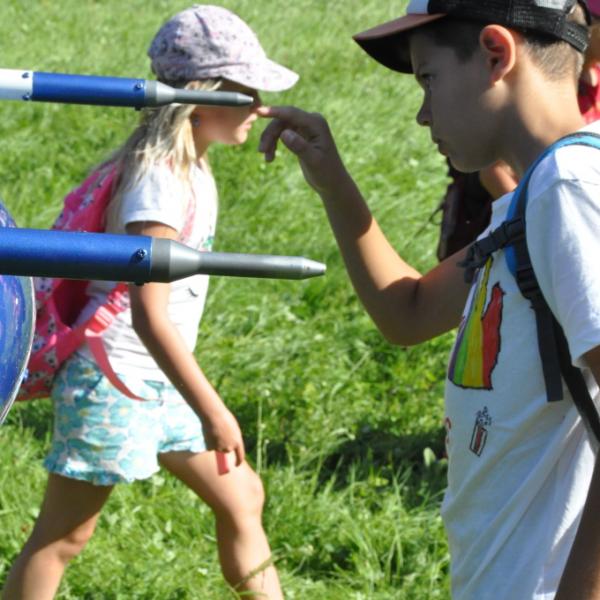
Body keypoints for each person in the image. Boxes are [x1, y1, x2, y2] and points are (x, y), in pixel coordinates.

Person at [257, 1, 600, 598]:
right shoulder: (532, 200)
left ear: (495, 54)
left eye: (428, 79)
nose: (422, 113)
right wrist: (333, 182)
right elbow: (409, 312)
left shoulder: (567, 190)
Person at [2, 5, 297, 600]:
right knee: (63, 538)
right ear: (201, 97)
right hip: (113, 378)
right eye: (246, 91)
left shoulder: (190, 165)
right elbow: (148, 314)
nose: (259, 104)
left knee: (242, 496)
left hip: (157, 379)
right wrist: (214, 409)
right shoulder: (158, 181)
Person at [436, 11, 600, 261]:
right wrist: (545, 226)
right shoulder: (551, 82)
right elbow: (493, 173)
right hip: (506, 234)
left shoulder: (594, 79)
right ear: (592, 26)